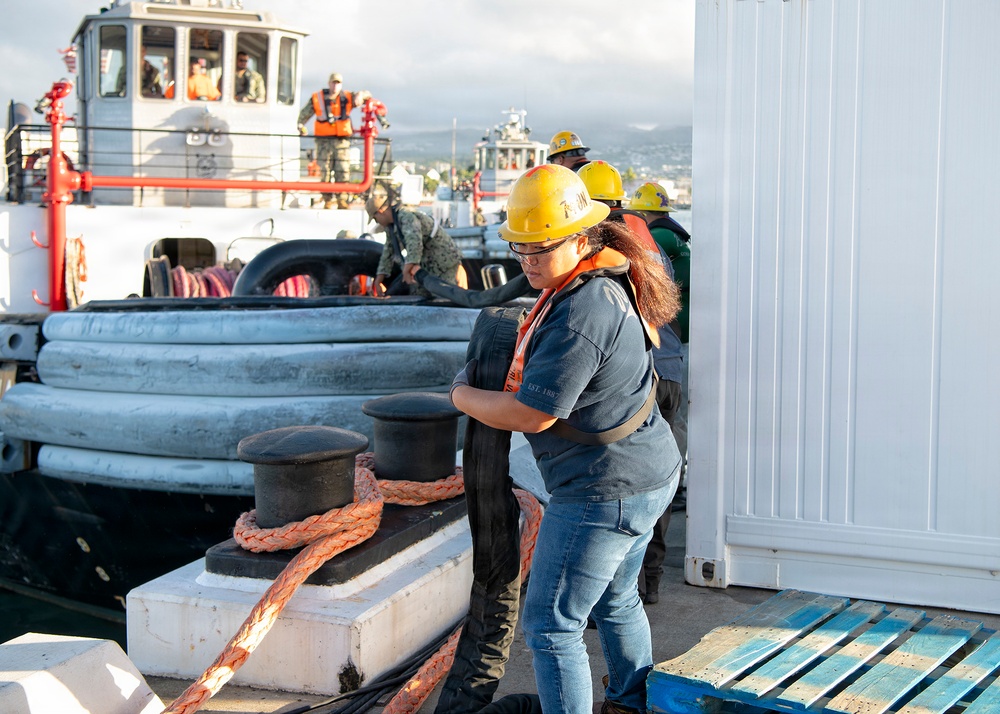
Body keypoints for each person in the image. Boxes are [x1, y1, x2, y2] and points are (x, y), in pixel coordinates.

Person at [449, 165, 682, 714]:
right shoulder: (602, 282)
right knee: (618, 599)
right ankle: (629, 702)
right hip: (650, 472)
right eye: (520, 248)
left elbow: (533, 415)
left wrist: (461, 394)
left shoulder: (580, 313)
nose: (528, 261)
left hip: (604, 490)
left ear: (581, 238)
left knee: (552, 624)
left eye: (541, 248)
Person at [579, 162, 685, 605]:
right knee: (651, 477)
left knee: (613, 477)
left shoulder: (597, 245)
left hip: (636, 376)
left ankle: (611, 590)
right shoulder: (646, 235)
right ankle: (649, 580)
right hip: (670, 367)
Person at [365, 192, 464, 298]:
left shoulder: (406, 216)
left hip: (442, 262)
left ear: (380, 212)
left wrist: (406, 270)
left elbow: (414, 244)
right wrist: (380, 277)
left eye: (375, 219)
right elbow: (388, 251)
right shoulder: (392, 226)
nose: (377, 222)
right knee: (418, 296)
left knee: (443, 296)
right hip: (426, 265)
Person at [298, 72, 371, 209]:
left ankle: (342, 200)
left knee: (342, 170)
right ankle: (327, 200)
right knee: (324, 170)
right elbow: (305, 113)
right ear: (329, 83)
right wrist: (300, 125)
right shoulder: (318, 97)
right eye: (334, 82)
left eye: (338, 83)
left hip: (341, 141)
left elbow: (368, 95)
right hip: (323, 141)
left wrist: (361, 94)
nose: (336, 85)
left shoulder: (348, 97)